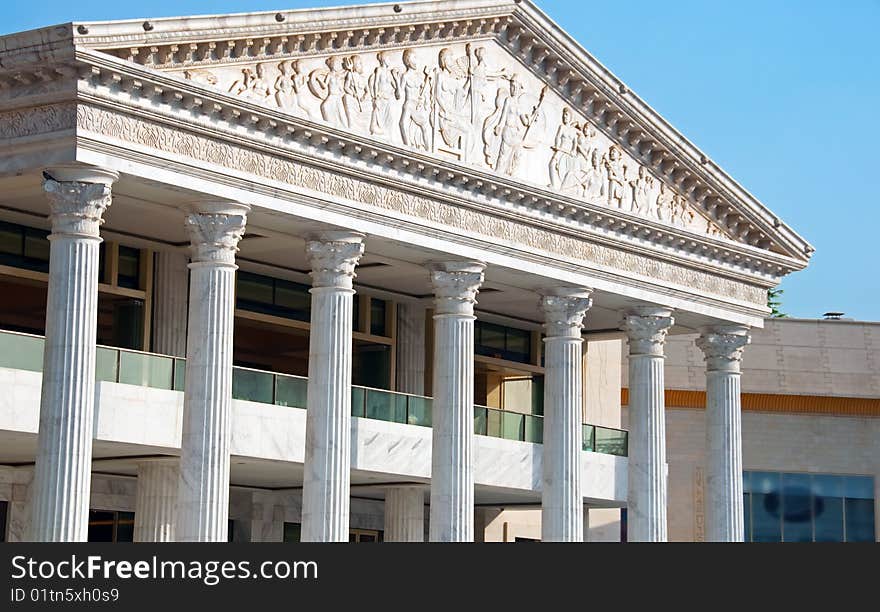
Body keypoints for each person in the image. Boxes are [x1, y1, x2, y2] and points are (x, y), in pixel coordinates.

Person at [396, 49, 432, 150]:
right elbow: (399, 95)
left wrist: (428, 77)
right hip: (409, 103)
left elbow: (424, 91)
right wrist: (396, 80)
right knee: (403, 123)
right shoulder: (405, 76)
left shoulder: (420, 77)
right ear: (407, 60)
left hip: (418, 106)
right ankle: (407, 146)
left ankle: (428, 150)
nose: (417, 61)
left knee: (425, 126)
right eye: (414, 58)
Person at [368, 51, 398, 137]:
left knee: (391, 119)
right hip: (380, 98)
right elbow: (375, 83)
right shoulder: (379, 70)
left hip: (388, 98)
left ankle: (389, 136)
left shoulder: (389, 73)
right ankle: (380, 132)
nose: (390, 60)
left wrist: (396, 78)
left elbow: (395, 87)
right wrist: (375, 96)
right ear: (384, 59)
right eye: (388, 58)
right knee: (378, 117)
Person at [549, 107, 579, 189]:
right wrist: (557, 145)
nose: (564, 117)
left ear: (570, 117)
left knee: (568, 171)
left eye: (566, 115)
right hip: (561, 149)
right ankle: (553, 184)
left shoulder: (573, 131)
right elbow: (557, 137)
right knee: (552, 164)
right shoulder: (562, 127)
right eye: (563, 115)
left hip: (569, 153)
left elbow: (575, 143)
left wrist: (573, 151)